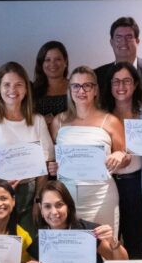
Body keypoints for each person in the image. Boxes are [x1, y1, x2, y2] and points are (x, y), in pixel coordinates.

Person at [0, 62, 55, 235]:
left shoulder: (38, 121)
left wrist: (38, 199)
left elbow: (44, 166)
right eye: (7, 85)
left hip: (30, 193)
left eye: (18, 85)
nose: (13, 90)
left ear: (26, 89)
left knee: (27, 243)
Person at [50, 66, 129, 233]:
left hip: (101, 196)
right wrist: (52, 166)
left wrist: (119, 155)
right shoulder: (58, 122)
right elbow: (53, 159)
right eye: (76, 86)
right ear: (70, 90)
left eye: (87, 85)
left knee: (105, 243)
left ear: (95, 90)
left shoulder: (110, 121)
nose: (81, 91)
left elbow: (125, 159)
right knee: (71, 245)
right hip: (66, 197)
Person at [102, 61, 142, 259]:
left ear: (136, 84)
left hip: (135, 184)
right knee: (109, 239)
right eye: (116, 81)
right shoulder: (101, 113)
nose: (121, 86)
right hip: (108, 184)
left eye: (126, 81)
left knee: (136, 239)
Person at [94, 17, 142, 98]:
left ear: (137, 41)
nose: (124, 42)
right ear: (111, 42)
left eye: (129, 37)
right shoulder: (98, 75)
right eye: (118, 37)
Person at [32, 40, 69, 122]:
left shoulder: (76, 88)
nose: (52, 64)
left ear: (65, 62)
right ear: (41, 64)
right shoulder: (31, 90)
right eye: (47, 60)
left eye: (58, 59)